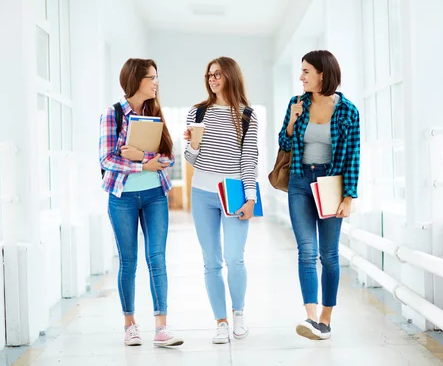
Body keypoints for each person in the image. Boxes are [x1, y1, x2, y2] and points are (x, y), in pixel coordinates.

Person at [99, 58, 183, 347]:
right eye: (151, 77)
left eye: (157, 77)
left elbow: (169, 157)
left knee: (157, 259)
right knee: (128, 261)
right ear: (136, 80)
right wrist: (140, 166)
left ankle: (161, 327)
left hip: (155, 196)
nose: (156, 82)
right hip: (121, 197)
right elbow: (106, 158)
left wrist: (143, 159)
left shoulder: (155, 112)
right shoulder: (112, 115)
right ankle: (130, 325)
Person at [277, 50, 360, 340]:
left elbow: (353, 156)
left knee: (329, 254)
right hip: (300, 180)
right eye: (301, 71)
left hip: (330, 184)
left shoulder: (348, 111)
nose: (301, 77)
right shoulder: (296, 103)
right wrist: (292, 121)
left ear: (322, 74)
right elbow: (284, 141)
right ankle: (310, 317)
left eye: (306, 71)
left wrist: (348, 197)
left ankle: (325, 318)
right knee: (307, 251)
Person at [183, 57, 259, 344]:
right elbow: (191, 158)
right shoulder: (196, 112)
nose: (212, 79)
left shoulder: (247, 114)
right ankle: (221, 322)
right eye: (209, 74)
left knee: (234, 258)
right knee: (211, 262)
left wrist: (250, 198)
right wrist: (192, 144)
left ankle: (238, 315)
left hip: (235, 191)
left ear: (230, 75)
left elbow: (248, 159)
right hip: (201, 193)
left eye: (218, 74)